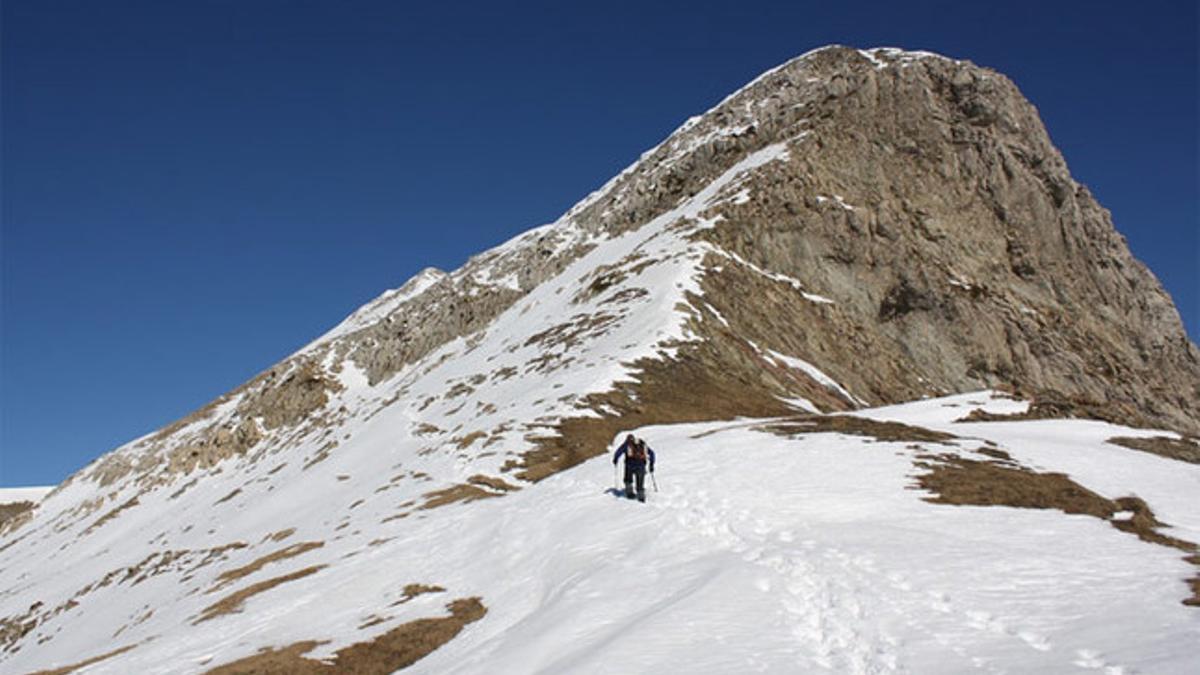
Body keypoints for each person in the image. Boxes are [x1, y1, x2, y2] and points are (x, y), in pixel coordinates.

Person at [612, 434, 655, 502]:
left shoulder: (627, 444)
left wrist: (615, 459)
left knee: (628, 480)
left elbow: (618, 452)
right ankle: (641, 498)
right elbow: (652, 453)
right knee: (640, 483)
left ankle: (630, 494)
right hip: (641, 466)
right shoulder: (642, 445)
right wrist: (651, 464)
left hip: (629, 466)